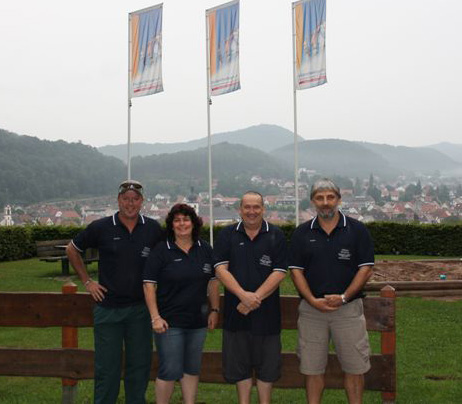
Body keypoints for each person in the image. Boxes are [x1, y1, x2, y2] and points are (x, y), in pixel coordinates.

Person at [66, 180, 163, 404]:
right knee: (107, 370)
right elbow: (72, 249)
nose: (130, 203)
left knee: (138, 368)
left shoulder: (152, 228)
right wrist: (87, 281)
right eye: (126, 199)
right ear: (118, 200)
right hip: (108, 310)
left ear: (142, 202)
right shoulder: (101, 227)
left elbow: (165, 258)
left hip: (140, 310)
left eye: (135, 199)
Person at [289, 178, 375, 404]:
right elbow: (296, 272)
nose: (325, 202)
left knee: (355, 369)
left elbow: (365, 269)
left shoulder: (357, 230)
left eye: (330, 197)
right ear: (312, 201)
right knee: (312, 369)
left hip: (348, 311)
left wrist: (345, 297)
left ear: (338, 199)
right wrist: (312, 300)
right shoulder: (301, 233)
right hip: (311, 312)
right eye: (320, 198)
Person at [213, 191, 288, 404]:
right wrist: (242, 296)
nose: (252, 211)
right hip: (236, 319)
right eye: (247, 207)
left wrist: (253, 299)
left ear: (263, 209)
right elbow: (220, 269)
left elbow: (280, 272)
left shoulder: (276, 235)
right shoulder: (227, 235)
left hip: (268, 318)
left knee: (267, 371)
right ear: (240, 209)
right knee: (240, 371)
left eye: (256, 207)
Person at [143, 203, 220, 404]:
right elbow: (148, 285)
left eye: (186, 219)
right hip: (169, 323)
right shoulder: (161, 250)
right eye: (177, 220)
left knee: (191, 368)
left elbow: (213, 282)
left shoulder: (205, 249)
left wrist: (214, 309)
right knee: (169, 369)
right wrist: (155, 317)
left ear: (194, 223)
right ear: (171, 225)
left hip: (198, 322)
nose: (182, 224)